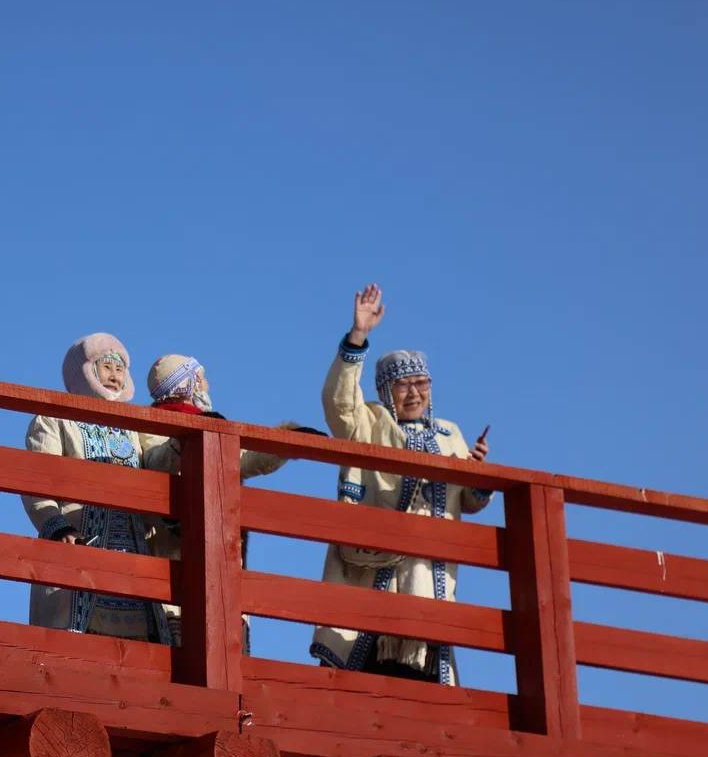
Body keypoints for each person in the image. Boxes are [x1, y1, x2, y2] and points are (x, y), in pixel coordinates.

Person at [309, 284, 491, 685]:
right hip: (372, 568)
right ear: (384, 391)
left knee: (424, 664)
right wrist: (358, 336)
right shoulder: (369, 423)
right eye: (403, 385)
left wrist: (479, 476)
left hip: (426, 577)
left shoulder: (449, 434)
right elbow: (337, 404)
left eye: (422, 384)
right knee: (362, 668)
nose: (414, 393)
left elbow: (471, 501)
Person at [139, 354, 323, 650]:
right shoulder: (151, 426)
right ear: (189, 382)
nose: (208, 384)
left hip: (218, 554)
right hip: (171, 557)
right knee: (178, 645)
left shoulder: (213, 426)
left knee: (224, 637)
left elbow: (245, 460)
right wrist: (184, 438)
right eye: (203, 377)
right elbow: (154, 460)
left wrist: (286, 442)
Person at [22, 334, 174, 644]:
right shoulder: (56, 418)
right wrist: (54, 524)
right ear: (84, 370)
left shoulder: (133, 427)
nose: (115, 376)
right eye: (106, 367)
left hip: (130, 557)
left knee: (137, 648)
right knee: (76, 643)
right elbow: (38, 478)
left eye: (120, 369)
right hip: (76, 544)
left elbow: (156, 460)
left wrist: (179, 447)